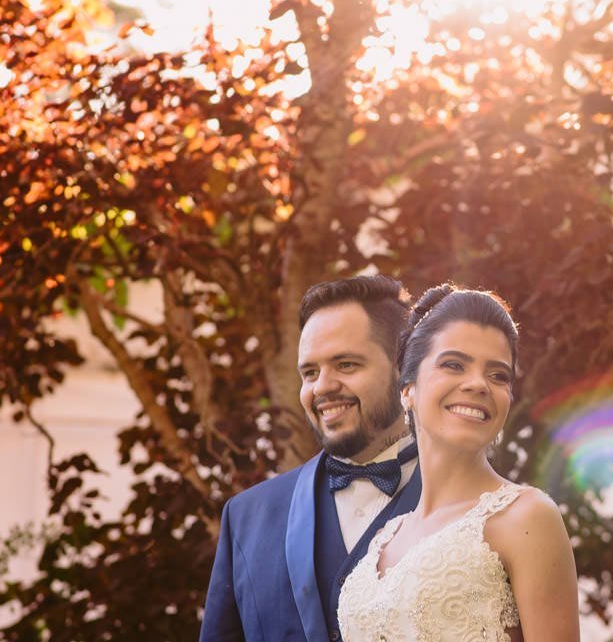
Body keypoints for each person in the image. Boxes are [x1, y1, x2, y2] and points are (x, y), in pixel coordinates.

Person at [337, 285, 580, 642]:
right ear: (408, 389)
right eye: (454, 364)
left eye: (498, 375)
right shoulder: (384, 537)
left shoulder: (527, 517)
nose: (479, 384)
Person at [199, 274, 421, 642]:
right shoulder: (246, 517)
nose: (322, 387)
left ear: (404, 369)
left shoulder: (478, 507)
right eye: (310, 372)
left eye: (346, 364)